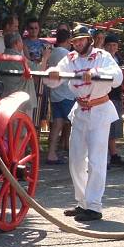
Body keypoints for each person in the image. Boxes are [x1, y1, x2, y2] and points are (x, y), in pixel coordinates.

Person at [44, 29, 124, 222]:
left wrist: (95, 73)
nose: (78, 44)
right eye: (75, 42)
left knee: (96, 161)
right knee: (77, 160)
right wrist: (52, 74)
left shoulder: (102, 56)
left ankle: (94, 206)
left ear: (89, 40)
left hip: (99, 111)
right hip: (80, 111)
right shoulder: (70, 59)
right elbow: (54, 79)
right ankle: (82, 203)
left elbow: (117, 76)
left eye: (81, 41)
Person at [42, 28, 75, 164]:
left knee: (57, 124)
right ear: (68, 40)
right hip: (67, 93)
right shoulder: (68, 55)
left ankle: (51, 153)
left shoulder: (53, 53)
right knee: (76, 123)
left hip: (55, 93)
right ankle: (76, 154)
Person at [104, 33, 124, 169]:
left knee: (114, 127)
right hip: (106, 95)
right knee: (106, 127)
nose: (112, 48)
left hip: (116, 94)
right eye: (109, 45)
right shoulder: (102, 59)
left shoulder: (118, 58)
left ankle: (113, 155)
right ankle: (105, 156)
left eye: (114, 45)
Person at [0, 31, 36, 116]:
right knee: (23, 128)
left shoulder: (1, 58)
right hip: (22, 101)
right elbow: (38, 69)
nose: (23, 44)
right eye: (21, 41)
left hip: (6, 97)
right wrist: (45, 57)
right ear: (16, 43)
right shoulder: (19, 59)